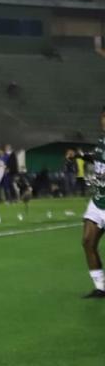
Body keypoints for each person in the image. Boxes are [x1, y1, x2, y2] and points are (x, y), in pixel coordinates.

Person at [80, 110, 105, 298]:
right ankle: (100, 287)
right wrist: (80, 156)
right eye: (103, 118)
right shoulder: (101, 142)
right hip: (98, 201)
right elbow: (97, 158)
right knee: (88, 241)